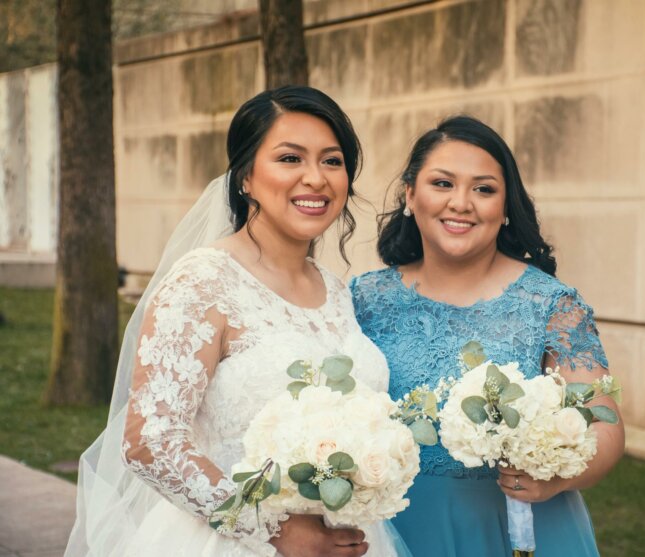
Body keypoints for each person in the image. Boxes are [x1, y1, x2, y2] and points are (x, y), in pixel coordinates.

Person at [65, 86, 410, 557]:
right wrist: (271, 528)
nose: (316, 178)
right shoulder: (205, 281)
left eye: (332, 161)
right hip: (228, 541)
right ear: (245, 176)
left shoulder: (334, 291)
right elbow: (150, 441)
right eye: (290, 159)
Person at [350, 116, 625, 556]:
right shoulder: (362, 300)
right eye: (442, 184)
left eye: (483, 189)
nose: (461, 203)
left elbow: (605, 425)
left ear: (505, 206)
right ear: (410, 195)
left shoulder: (551, 305)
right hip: (398, 528)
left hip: (522, 524)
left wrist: (555, 476)